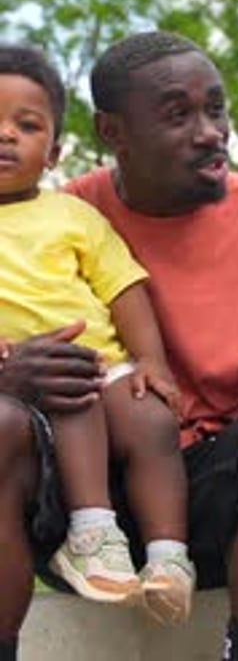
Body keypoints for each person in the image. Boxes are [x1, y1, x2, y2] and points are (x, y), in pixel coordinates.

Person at [0, 30, 238, 661]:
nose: (210, 131)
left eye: (216, 109)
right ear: (114, 134)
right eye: (177, 115)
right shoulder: (60, 213)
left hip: (211, 495)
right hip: (75, 495)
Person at [0, 45, 195, 631]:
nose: (4, 135)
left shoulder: (74, 216)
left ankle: (168, 560)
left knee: (151, 419)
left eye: (26, 125)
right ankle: (92, 535)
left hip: (96, 359)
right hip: (20, 378)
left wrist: (151, 362)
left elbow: (124, 289)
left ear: (54, 153)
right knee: (74, 387)